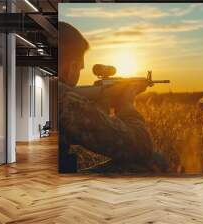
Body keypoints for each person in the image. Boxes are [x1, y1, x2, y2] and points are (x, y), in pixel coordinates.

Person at [58, 22, 167, 173]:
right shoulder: (64, 99)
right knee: (154, 161)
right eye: (80, 68)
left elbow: (90, 126)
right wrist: (127, 105)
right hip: (56, 189)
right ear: (70, 67)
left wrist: (104, 100)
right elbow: (141, 146)